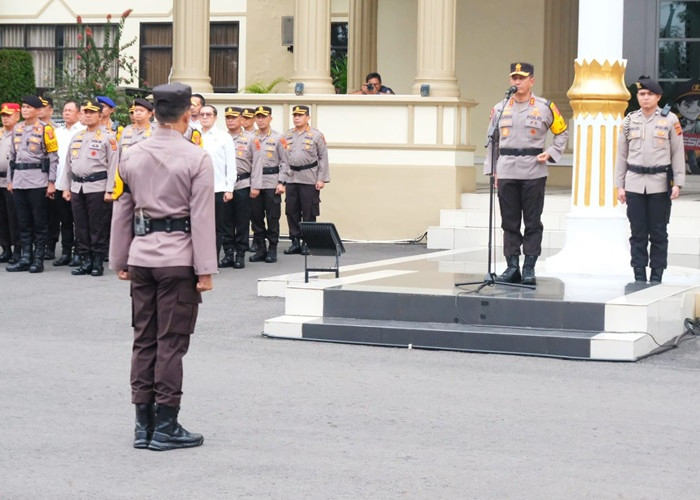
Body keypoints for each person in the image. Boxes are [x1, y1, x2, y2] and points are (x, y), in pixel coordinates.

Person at [109, 82, 216, 451]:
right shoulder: (196, 158)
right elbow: (202, 217)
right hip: (177, 258)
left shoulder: (131, 154)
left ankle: (143, 425)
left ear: (154, 113)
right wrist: (205, 269)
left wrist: (119, 258)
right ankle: (166, 425)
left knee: (144, 339)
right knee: (171, 342)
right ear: (188, 114)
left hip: (141, 256)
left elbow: (122, 208)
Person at [484, 62, 568, 286]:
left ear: (532, 80)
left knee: (532, 221)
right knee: (509, 222)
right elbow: (492, 141)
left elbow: (562, 132)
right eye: (514, 78)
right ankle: (512, 266)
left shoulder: (544, 106)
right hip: (506, 169)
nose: (517, 82)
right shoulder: (500, 108)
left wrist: (551, 153)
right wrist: (492, 171)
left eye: (522, 78)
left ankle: (529, 267)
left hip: (533, 170)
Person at [615, 76, 685, 283]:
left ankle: (656, 273)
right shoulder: (629, 120)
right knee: (637, 232)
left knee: (658, 232)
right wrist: (620, 185)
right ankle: (638, 273)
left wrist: (678, 183)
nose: (645, 98)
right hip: (635, 182)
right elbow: (621, 154)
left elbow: (677, 153)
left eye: (650, 94)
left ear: (658, 97)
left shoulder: (670, 119)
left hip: (659, 183)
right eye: (642, 94)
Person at [61, 99, 118, 277]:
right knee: (81, 226)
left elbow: (114, 165)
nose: (87, 115)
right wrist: (65, 187)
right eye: (85, 112)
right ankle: (85, 260)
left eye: (91, 112)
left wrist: (110, 190)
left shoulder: (108, 137)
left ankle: (98, 262)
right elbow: (68, 165)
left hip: (98, 187)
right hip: (78, 187)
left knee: (97, 226)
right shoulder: (77, 137)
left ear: (100, 115)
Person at [6, 95, 59, 273]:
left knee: (39, 221)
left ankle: (38, 259)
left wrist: (51, 182)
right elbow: (11, 157)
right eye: (23, 107)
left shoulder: (46, 129)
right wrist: (10, 180)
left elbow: (53, 158)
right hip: (19, 180)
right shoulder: (17, 129)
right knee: (23, 221)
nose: (25, 110)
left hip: (37, 180)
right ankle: (25, 257)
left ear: (38, 110)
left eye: (29, 107)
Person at [283, 105, 330, 255]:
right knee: (291, 211)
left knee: (309, 212)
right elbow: (283, 158)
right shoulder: (288, 135)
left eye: (300, 115)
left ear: (308, 117)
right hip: (291, 177)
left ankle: (308, 242)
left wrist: (321, 178)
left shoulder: (316, 135)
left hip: (309, 177)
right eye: (295, 115)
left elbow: (323, 157)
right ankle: (295, 241)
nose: (297, 118)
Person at [249, 105, 289, 264]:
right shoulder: (251, 137)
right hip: (255, 182)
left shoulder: (279, 138)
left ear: (270, 118)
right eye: (258, 117)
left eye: (263, 116)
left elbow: (285, 162)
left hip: (272, 181)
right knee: (256, 217)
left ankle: (272, 248)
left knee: (272, 217)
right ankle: (261, 248)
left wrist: (282, 182)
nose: (260, 120)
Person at [222, 106, 261, 268]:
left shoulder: (251, 138)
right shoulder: (221, 138)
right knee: (225, 221)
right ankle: (228, 253)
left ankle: (240, 253)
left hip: (243, 184)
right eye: (228, 118)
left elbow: (257, 163)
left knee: (242, 221)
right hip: (224, 185)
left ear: (241, 119)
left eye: (234, 117)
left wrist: (255, 186)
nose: (230, 121)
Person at [199, 105, 237, 265]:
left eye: (208, 114)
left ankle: (212, 260)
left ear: (215, 117)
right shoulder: (193, 135)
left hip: (218, 188)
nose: (205, 117)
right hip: (197, 189)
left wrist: (229, 188)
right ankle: (199, 259)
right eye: (202, 114)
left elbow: (231, 164)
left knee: (216, 228)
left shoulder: (223, 137)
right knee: (199, 226)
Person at [53, 100, 86, 266]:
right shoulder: (57, 132)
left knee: (78, 220)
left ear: (79, 114)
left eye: (70, 110)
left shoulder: (83, 131)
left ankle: (79, 252)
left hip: (77, 182)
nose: (66, 113)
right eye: (64, 110)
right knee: (64, 220)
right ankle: (66, 252)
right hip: (59, 181)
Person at [0, 103, 21, 264]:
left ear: (17, 116)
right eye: (3, 115)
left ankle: (18, 250)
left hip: (13, 180)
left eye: (8, 115)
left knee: (15, 217)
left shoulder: (21, 133)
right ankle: (5, 248)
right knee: (2, 218)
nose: (5, 118)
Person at [673, 79, 700, 174]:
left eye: (699, 104)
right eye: (688, 104)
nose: (695, 109)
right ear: (677, 105)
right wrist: (685, 129)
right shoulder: (673, 120)